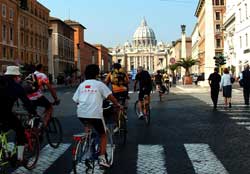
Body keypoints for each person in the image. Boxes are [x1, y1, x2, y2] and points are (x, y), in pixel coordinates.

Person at [73, 64, 122, 168]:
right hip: (95, 114)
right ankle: (102, 158)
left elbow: (76, 100)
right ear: (97, 74)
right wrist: (117, 104)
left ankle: (87, 147)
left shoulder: (82, 85)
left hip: (81, 113)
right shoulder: (99, 84)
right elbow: (110, 97)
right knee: (103, 135)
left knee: (88, 128)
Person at [1, 66, 37, 163]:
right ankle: (20, 158)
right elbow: (26, 103)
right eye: (19, 77)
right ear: (15, 77)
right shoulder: (17, 86)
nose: (20, 79)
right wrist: (34, 113)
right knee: (20, 129)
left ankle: (5, 150)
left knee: (3, 130)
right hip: (4, 113)